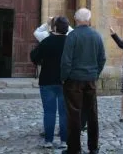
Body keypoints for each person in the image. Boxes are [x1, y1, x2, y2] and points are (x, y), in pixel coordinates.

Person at [61, 8, 106, 154]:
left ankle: (74, 149)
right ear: (89, 19)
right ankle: (93, 147)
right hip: (90, 79)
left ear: (76, 19)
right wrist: (95, 73)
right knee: (92, 113)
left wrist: (63, 78)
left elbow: (66, 61)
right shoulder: (96, 36)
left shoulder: (72, 36)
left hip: (74, 80)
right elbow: (102, 59)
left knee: (74, 114)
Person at [30, 16, 69, 149]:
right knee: (64, 112)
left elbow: (34, 57)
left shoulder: (47, 41)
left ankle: (48, 140)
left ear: (55, 28)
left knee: (49, 112)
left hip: (47, 80)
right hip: (66, 81)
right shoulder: (70, 41)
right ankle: (64, 140)